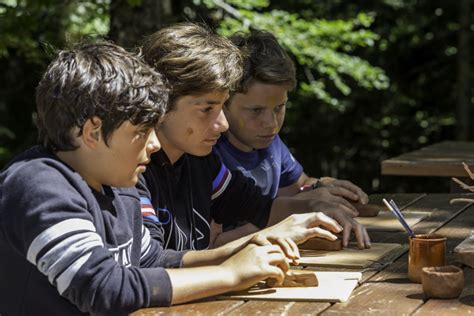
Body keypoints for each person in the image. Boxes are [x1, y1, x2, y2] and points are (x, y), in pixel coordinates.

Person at [0, 41, 308, 315]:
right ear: (93, 132)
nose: (155, 144)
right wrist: (229, 274)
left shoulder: (118, 186)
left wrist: (241, 251)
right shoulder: (39, 185)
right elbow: (101, 288)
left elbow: (150, 261)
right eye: (140, 131)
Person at [138, 23, 362, 253]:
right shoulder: (133, 171)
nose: (222, 124)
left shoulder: (202, 162)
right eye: (207, 109)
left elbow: (259, 207)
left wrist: (314, 206)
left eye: (223, 106)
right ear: (160, 103)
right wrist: (248, 256)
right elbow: (151, 267)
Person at [214, 30, 371, 249]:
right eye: (256, 110)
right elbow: (212, 246)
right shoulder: (207, 153)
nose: (271, 123)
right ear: (222, 102)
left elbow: (297, 187)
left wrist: (324, 187)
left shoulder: (270, 142)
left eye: (279, 107)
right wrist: (304, 208)